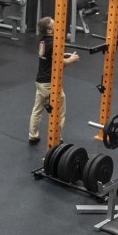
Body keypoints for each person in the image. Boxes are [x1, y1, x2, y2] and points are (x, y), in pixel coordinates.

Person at [28, 16, 78, 146]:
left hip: (40, 81)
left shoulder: (43, 40)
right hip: (50, 83)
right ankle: (56, 137)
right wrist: (72, 59)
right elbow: (61, 63)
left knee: (37, 109)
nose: (58, 26)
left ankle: (33, 136)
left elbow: (51, 56)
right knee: (59, 110)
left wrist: (63, 54)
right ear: (49, 30)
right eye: (55, 25)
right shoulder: (54, 43)